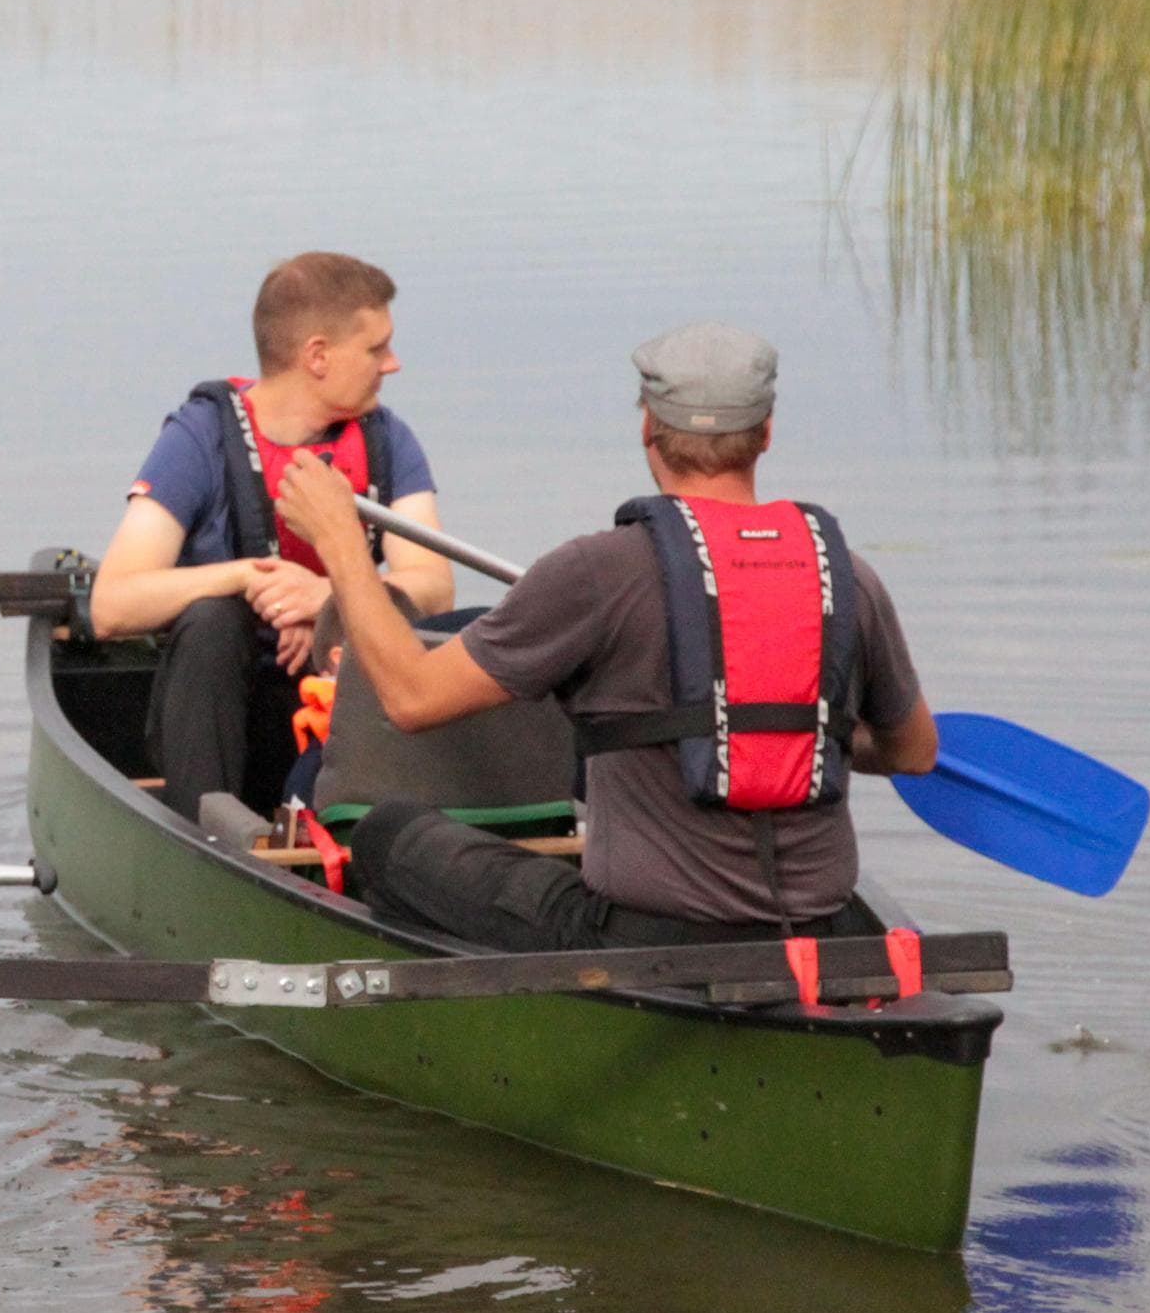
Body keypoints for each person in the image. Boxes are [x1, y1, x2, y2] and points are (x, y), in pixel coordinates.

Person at [272, 322, 940, 950]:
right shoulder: (849, 577)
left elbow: (411, 698)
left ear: (648, 428)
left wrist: (340, 544)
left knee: (390, 833)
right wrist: (785, 726)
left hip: (640, 939)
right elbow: (912, 751)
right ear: (765, 432)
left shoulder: (596, 572)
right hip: (818, 930)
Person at [88, 252, 455, 818]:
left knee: (450, 631)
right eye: (376, 349)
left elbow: (434, 586)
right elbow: (111, 606)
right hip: (222, 718)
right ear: (317, 356)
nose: (393, 364)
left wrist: (329, 596)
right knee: (213, 621)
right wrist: (248, 578)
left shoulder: (387, 439)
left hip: (330, 709)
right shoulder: (198, 438)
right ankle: (207, 836)